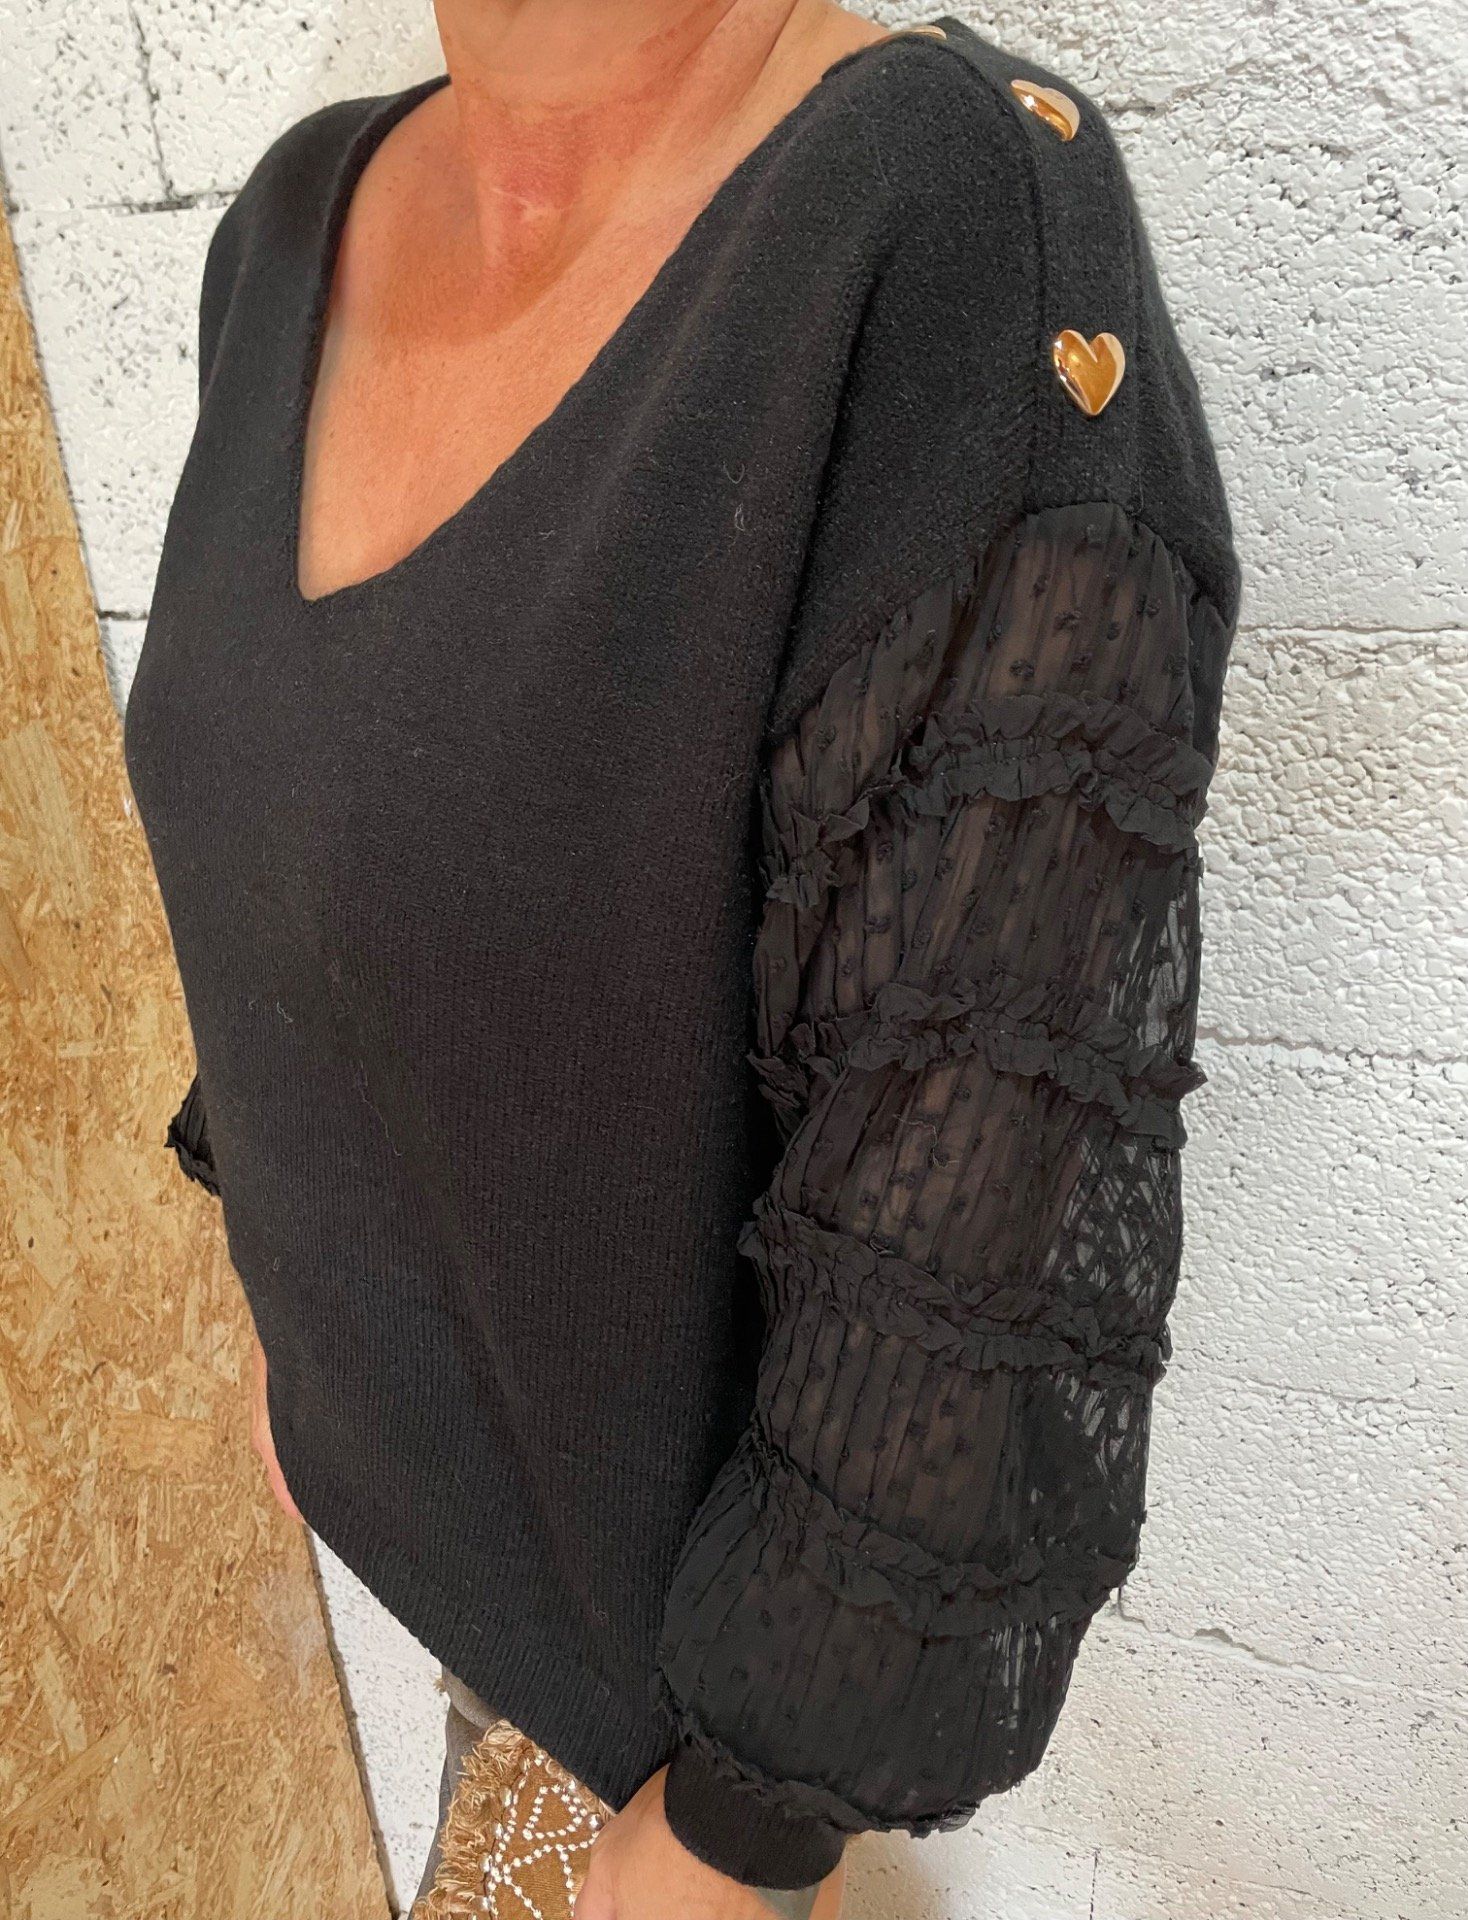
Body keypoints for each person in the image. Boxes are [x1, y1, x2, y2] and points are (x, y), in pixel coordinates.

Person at [124, 2, 1241, 1917]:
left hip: (650, 1749)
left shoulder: (939, 216)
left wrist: (742, 1827)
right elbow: (296, 853)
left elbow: (976, 1159)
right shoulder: (293, 221)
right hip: (425, 1571)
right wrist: (299, 1324)